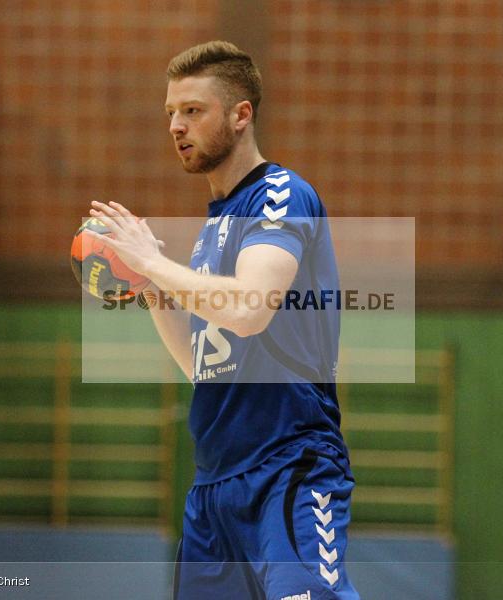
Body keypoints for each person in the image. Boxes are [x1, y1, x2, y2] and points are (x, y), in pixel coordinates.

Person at [88, 41, 359, 599]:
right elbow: (203, 366)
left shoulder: (281, 194)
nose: (176, 126)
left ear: (241, 115)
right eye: (170, 113)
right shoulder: (214, 232)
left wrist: (152, 262)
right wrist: (151, 287)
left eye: (193, 110)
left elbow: (247, 309)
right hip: (214, 485)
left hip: (286, 468)